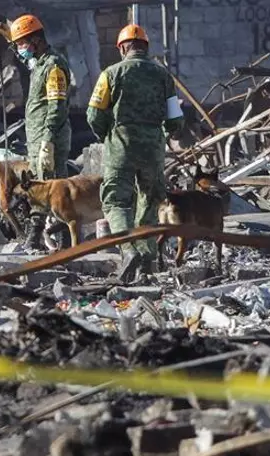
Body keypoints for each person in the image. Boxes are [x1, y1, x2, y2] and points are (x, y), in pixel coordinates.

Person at [87, 24, 184, 283]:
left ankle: (128, 250)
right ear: (145, 48)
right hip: (153, 146)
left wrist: (105, 134)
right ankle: (146, 263)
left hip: (121, 144)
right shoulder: (164, 76)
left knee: (116, 201)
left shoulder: (111, 74)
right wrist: (164, 132)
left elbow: (94, 115)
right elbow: (176, 120)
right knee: (150, 201)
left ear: (122, 48)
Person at [0, 14, 72, 251]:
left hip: (50, 139)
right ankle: (56, 240)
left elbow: (57, 106)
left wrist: (48, 139)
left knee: (51, 190)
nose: (20, 48)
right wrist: (11, 41)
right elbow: (29, 62)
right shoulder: (41, 62)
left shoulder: (54, 66)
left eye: (22, 43)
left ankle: (40, 239)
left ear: (36, 40)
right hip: (39, 139)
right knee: (45, 187)